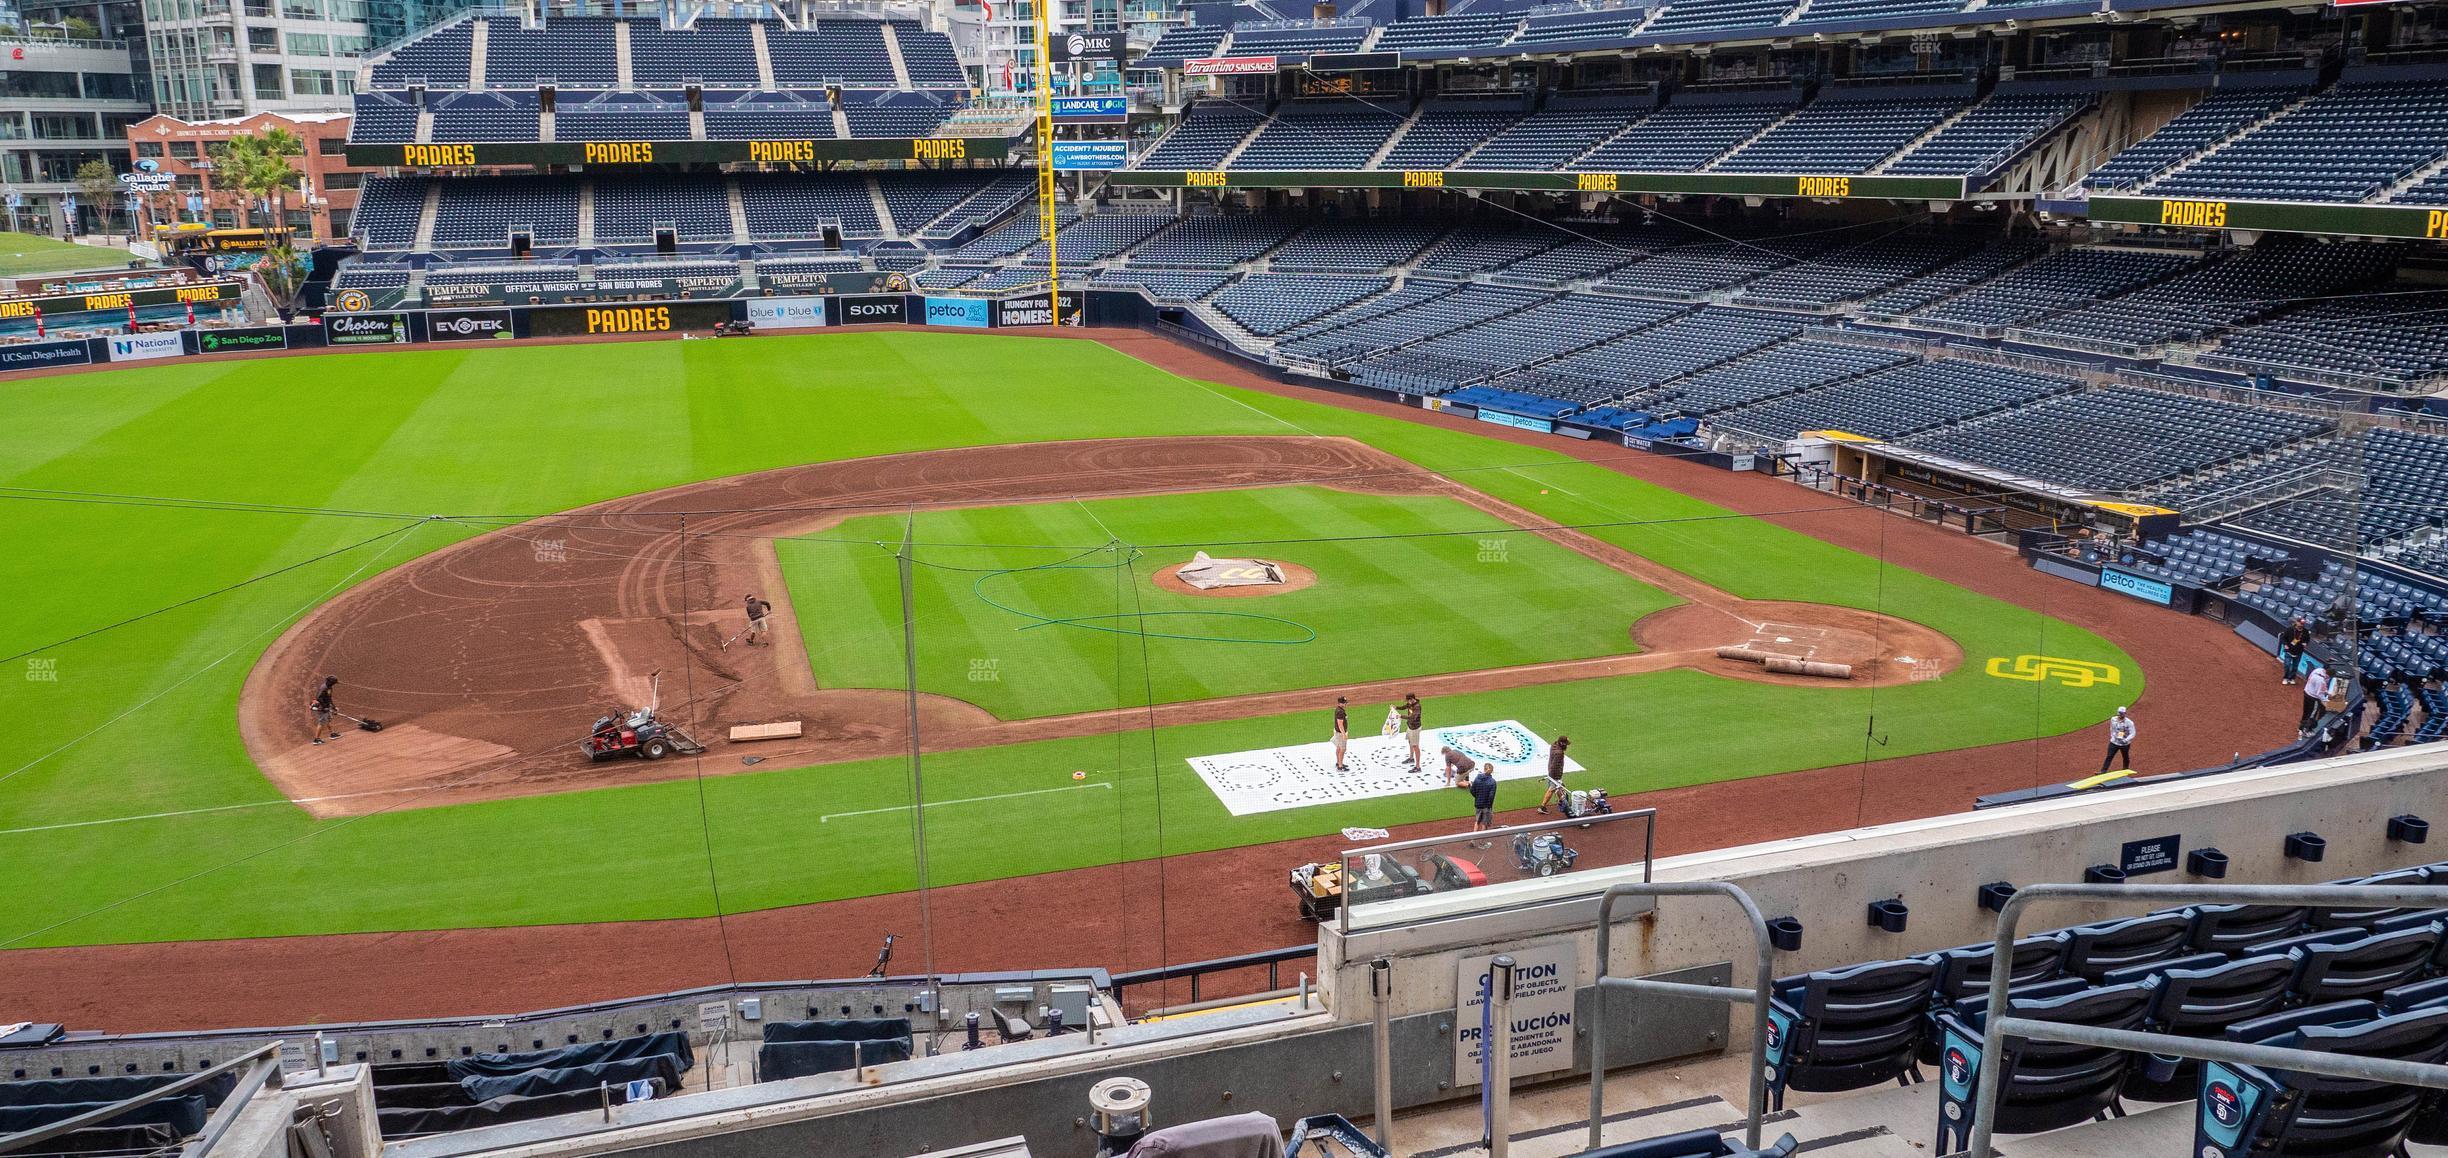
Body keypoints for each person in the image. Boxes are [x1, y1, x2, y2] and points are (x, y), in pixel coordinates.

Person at [1538, 735, 1572, 814]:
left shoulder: (1554, 745)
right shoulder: (1559, 753)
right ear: (1562, 743)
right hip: (1555, 774)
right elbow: (1555, 766)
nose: (1567, 746)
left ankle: (1564, 802)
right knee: (1552, 789)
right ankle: (1542, 807)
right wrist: (1555, 778)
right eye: (1566, 744)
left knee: (1560, 787)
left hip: (1551, 772)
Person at [1467, 762, 1498, 847]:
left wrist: (1477, 798)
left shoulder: (1477, 778)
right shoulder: (1493, 782)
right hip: (1486, 806)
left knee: (1477, 821)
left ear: (1484, 769)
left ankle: (1472, 840)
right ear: (1492, 771)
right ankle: (1482, 843)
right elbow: (1491, 796)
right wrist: (1490, 807)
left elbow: (1473, 791)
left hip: (1478, 804)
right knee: (1484, 823)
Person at [2301, 661, 2333, 735]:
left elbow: (2320, 688)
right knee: (2312, 714)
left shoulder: (2317, 670)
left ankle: (2301, 727)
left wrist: (2327, 692)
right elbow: (2319, 694)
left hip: (2307, 692)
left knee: (2306, 712)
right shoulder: (2321, 680)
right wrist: (2326, 701)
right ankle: (2305, 730)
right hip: (2313, 697)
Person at [307, 675, 340, 746]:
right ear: (331, 682)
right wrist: (324, 707)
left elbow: (329, 698)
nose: (335, 684)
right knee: (321, 723)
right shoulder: (324, 688)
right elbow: (318, 698)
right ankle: (316, 739)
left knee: (328, 719)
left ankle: (332, 734)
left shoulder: (329, 687)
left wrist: (333, 707)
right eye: (334, 682)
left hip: (326, 707)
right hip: (322, 708)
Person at [2100, 708, 2135, 773]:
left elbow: (2133, 733)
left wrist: (2126, 740)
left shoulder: (2129, 722)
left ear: (2125, 713)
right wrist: (2113, 736)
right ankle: (2103, 771)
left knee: (2125, 757)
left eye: (2122, 713)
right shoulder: (2113, 719)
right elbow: (2112, 728)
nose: (2120, 714)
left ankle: (2125, 770)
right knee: (2109, 756)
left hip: (2124, 744)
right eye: (2119, 712)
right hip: (2114, 742)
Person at [2278, 619, 2309, 685]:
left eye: (2303, 624)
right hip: (2289, 650)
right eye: (2300, 623)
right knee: (2287, 665)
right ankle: (2286, 678)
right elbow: (2283, 638)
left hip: (2298, 651)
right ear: (2297, 622)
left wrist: (2305, 643)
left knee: (2295, 666)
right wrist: (2285, 644)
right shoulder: (2290, 629)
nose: (2301, 625)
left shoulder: (2305, 631)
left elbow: (2307, 640)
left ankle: (2292, 678)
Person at [1399, 692, 1423, 769]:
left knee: (1415, 746)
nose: (1407, 702)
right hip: (1410, 727)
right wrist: (1396, 708)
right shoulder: (1410, 704)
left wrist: (1401, 716)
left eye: (1408, 700)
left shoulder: (1417, 707)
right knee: (1410, 742)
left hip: (1415, 728)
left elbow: (1412, 717)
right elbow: (1404, 707)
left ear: (1412, 699)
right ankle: (1411, 758)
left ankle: (1418, 766)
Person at [1331, 696, 1350, 773]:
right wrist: (1344, 734)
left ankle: (1339, 762)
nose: (1346, 704)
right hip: (1340, 733)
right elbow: (1340, 724)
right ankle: (1340, 766)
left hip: (1338, 732)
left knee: (1339, 748)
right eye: (1344, 703)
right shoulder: (1340, 712)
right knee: (1342, 749)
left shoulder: (1338, 710)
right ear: (1340, 703)